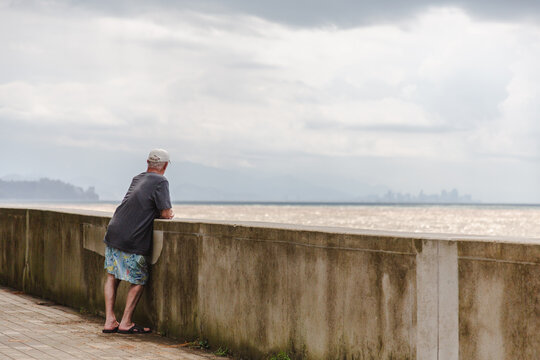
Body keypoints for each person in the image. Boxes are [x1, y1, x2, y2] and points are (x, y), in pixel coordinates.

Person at [102, 149, 175, 334]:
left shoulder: (137, 178)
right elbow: (165, 213)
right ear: (166, 166)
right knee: (139, 279)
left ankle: (110, 320)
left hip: (114, 229)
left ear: (147, 162)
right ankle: (126, 322)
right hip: (132, 236)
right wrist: (168, 213)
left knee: (112, 275)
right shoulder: (161, 181)